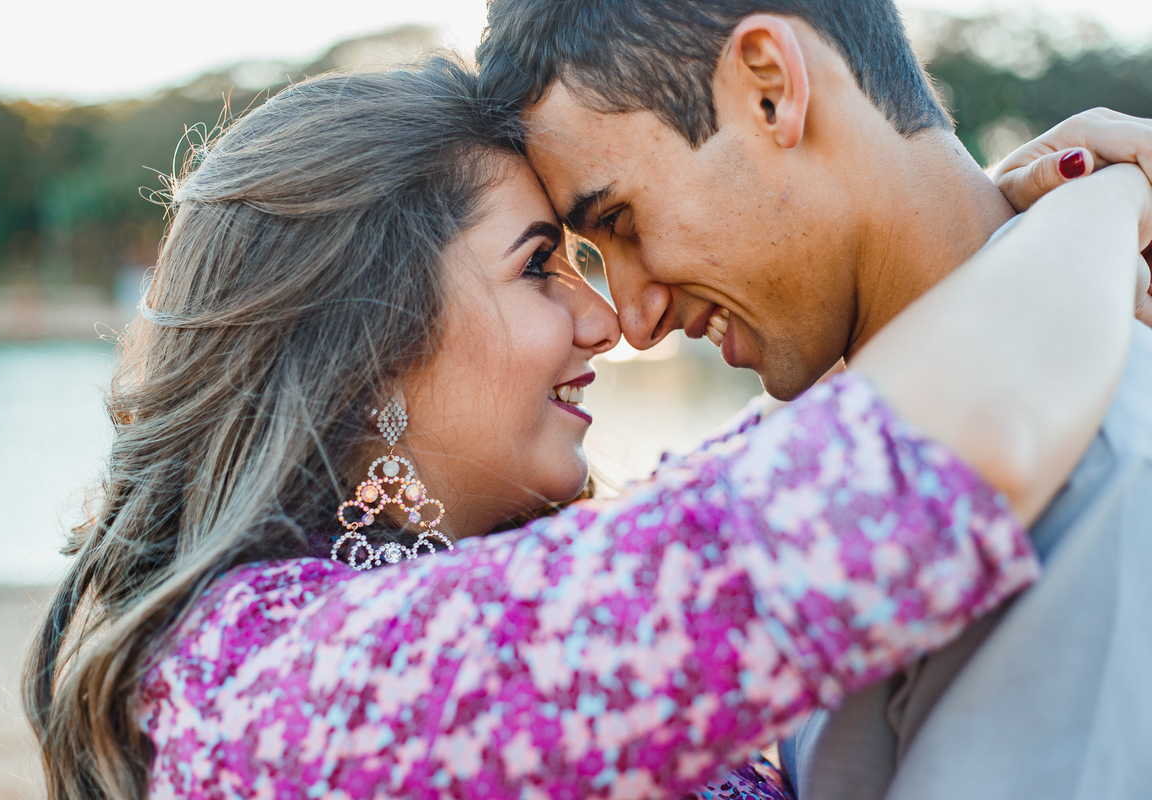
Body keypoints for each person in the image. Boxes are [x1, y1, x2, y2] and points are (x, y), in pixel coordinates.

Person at [22, 61, 1150, 800]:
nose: (608, 322)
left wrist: (970, 224)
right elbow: (882, 482)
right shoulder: (271, 681)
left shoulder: (432, 601)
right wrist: (1101, 203)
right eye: (538, 268)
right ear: (362, 352)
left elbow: (776, 465)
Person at [475, 1, 1152, 797]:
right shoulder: (826, 457)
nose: (633, 321)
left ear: (770, 89)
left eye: (620, 220)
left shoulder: (1095, 464)